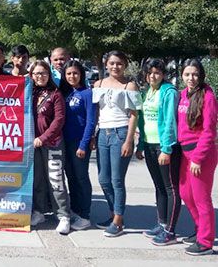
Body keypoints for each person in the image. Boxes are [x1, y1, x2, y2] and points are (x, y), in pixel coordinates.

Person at [92, 50, 141, 237]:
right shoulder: (99, 84)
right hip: (102, 133)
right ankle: (113, 214)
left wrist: (129, 140)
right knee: (103, 179)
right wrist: (92, 136)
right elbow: (96, 111)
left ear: (125, 65)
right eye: (112, 63)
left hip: (120, 133)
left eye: (119, 63)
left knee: (117, 180)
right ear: (106, 64)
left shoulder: (130, 86)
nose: (115, 67)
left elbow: (134, 114)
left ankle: (118, 221)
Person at [134, 58, 180, 246]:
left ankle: (170, 231)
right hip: (150, 144)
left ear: (163, 74)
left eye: (157, 72)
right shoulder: (147, 92)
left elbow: (169, 121)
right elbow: (143, 121)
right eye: (150, 72)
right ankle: (161, 224)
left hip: (164, 147)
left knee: (171, 189)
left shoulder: (168, 92)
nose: (153, 76)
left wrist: (167, 149)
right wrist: (141, 145)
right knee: (159, 187)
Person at [176, 59, 217, 256]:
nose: (191, 78)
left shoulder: (207, 96)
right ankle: (200, 230)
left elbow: (209, 131)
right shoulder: (183, 94)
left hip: (202, 153)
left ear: (200, 75)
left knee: (202, 198)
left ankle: (206, 242)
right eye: (187, 74)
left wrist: (198, 158)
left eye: (195, 74)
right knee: (186, 194)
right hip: (185, 151)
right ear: (182, 75)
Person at [29, 60, 71, 234]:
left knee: (56, 180)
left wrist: (44, 137)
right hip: (33, 144)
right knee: (37, 179)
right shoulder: (29, 94)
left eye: (43, 73)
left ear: (49, 75)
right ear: (31, 76)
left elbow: (59, 120)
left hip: (52, 143)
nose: (40, 76)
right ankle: (39, 212)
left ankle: (63, 215)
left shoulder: (55, 94)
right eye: (36, 73)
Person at [60, 60, 95, 231]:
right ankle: (75, 210)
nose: (72, 76)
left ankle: (85, 214)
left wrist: (83, 144)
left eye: (75, 73)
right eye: (68, 74)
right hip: (65, 142)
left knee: (81, 178)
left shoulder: (87, 93)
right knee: (71, 177)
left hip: (79, 143)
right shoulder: (66, 93)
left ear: (81, 74)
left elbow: (90, 122)